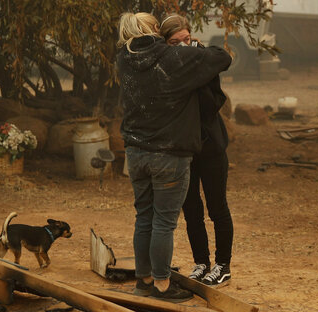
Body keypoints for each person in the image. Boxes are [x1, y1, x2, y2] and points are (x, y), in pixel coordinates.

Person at [116, 12, 231, 301]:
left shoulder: (124, 60)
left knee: (144, 217)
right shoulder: (171, 58)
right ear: (155, 32)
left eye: (187, 39)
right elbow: (223, 58)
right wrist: (193, 51)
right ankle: (162, 285)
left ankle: (144, 281)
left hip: (136, 150)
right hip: (169, 153)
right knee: (164, 222)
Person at [159, 13, 234, 287]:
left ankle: (222, 265)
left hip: (211, 145)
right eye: (175, 42)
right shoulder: (164, 69)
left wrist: (196, 54)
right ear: (166, 44)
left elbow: (221, 64)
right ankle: (201, 262)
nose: (182, 46)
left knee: (217, 208)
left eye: (187, 39)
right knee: (191, 210)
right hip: (183, 150)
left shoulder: (203, 60)